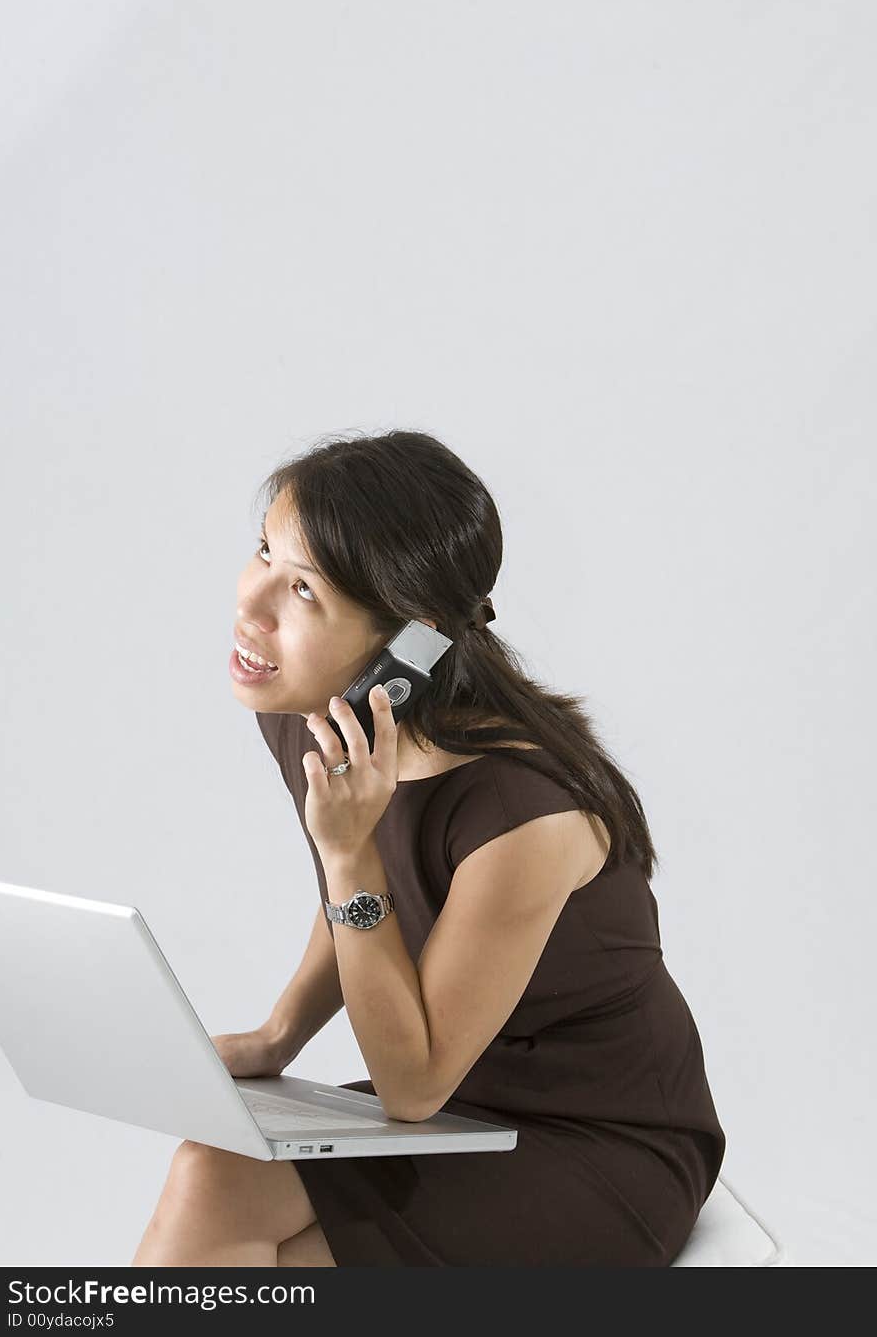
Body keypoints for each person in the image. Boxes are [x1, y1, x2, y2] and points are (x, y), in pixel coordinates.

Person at [131, 428, 726, 1267]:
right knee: (210, 1174)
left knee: (274, 1260)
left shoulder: (527, 817)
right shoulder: (315, 718)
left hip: (599, 1142)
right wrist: (279, 1035)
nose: (251, 604)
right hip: (463, 1106)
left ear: (411, 640)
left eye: (302, 590)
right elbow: (382, 904)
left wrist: (347, 854)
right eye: (263, 550)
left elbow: (412, 1086)